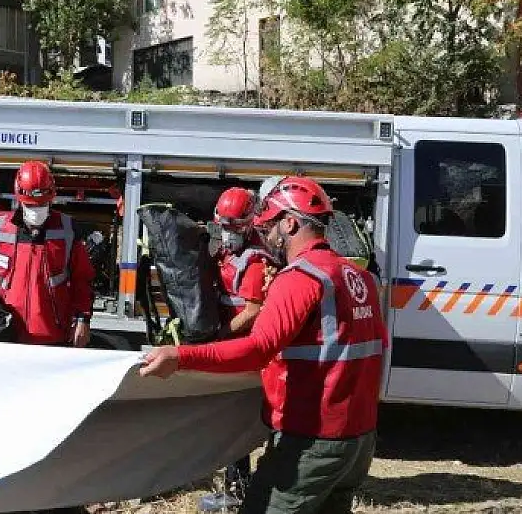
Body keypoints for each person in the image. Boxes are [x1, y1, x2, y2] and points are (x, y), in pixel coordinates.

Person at [140, 176, 389, 514]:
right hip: (359, 440)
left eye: (270, 225)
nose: (267, 235)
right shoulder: (360, 277)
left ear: (290, 222)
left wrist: (181, 356)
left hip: (314, 438)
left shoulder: (300, 278)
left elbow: (259, 347)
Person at [203, 187, 275, 510]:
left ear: (248, 224)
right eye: (224, 227)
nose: (228, 234)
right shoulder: (230, 253)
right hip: (232, 346)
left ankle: (236, 490)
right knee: (229, 421)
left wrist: (221, 333)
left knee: (235, 421)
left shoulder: (255, 260)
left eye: (234, 228)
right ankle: (235, 485)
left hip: (240, 348)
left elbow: (252, 309)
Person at [0, 161, 95, 347]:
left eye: (42, 205)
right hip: (7, 332)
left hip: (53, 335)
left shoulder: (67, 230)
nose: (36, 211)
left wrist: (83, 319)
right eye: (31, 206)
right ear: (20, 199)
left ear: (51, 198)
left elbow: (83, 279)